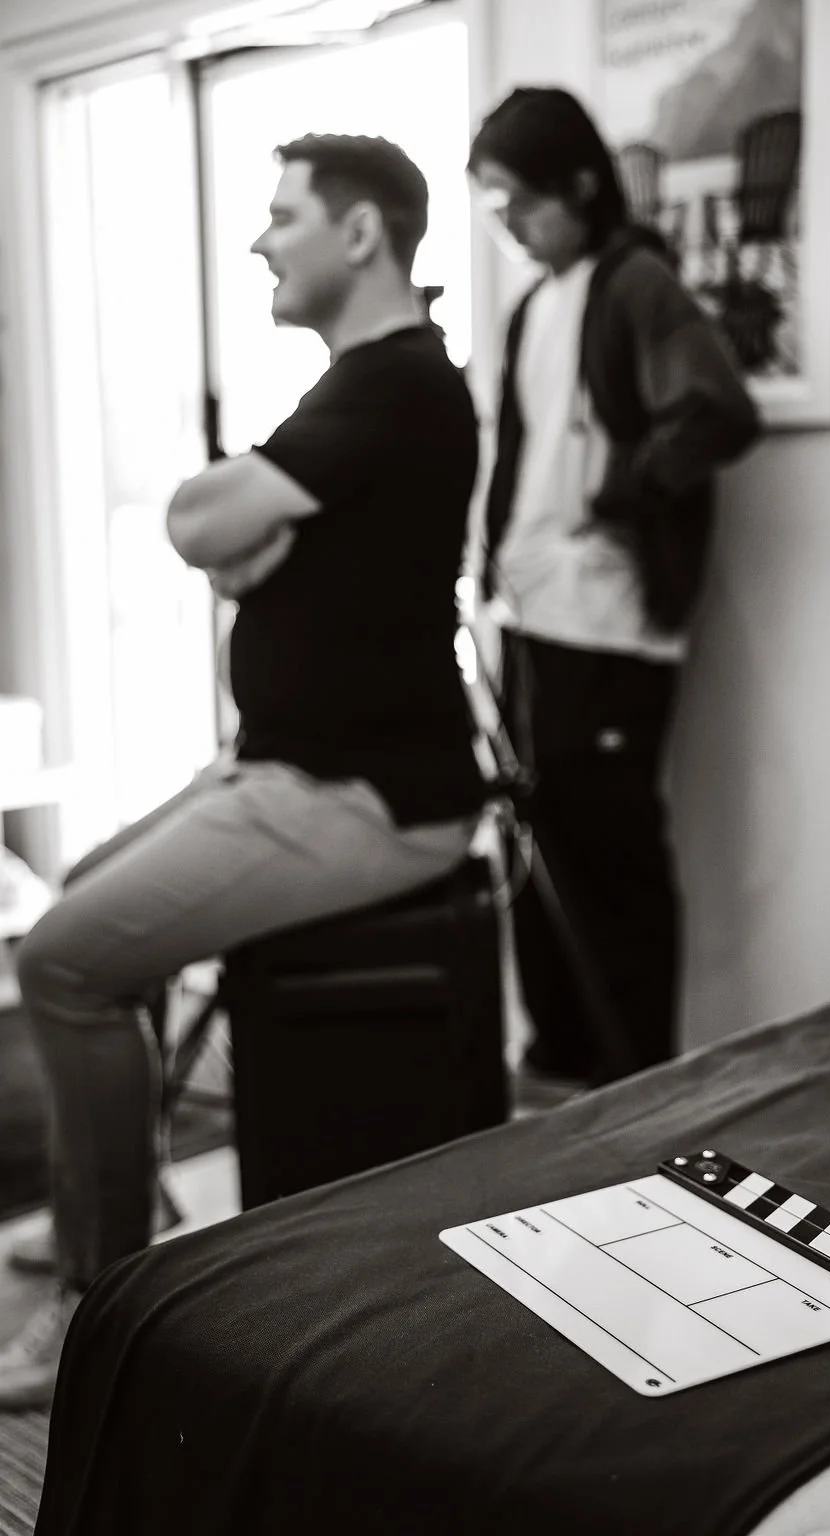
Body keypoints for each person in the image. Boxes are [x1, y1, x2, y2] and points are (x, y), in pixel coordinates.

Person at [0, 132, 483, 1409]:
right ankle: (109, 1195)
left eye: (282, 216)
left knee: (58, 962)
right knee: (88, 899)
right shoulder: (360, 389)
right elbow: (218, 541)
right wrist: (242, 537)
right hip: (283, 765)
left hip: (360, 798)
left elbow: (197, 522)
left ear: (361, 234)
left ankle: (96, 1296)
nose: (263, 239)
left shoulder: (390, 387)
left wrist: (241, 532)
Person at [467, 88, 761, 1091]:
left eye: (517, 200)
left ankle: (637, 1087)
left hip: (610, 626)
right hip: (533, 619)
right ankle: (557, 1075)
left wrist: (616, 487)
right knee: (543, 858)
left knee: (614, 864)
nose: (505, 222)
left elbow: (717, 411)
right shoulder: (531, 302)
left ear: (578, 184)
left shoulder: (635, 284)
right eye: (493, 204)